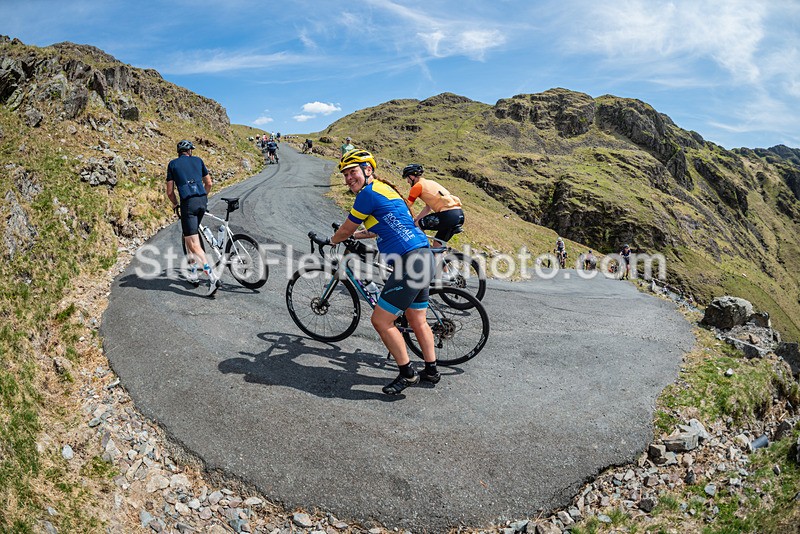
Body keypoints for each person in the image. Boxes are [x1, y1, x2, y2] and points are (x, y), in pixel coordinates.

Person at [329, 149, 439, 395]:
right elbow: (381, 227)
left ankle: (407, 374)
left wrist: (332, 240)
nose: (348, 178)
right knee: (417, 319)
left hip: (408, 262)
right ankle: (431, 371)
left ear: (368, 170)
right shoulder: (385, 190)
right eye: (345, 174)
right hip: (423, 256)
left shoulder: (367, 194)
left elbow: (346, 229)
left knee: (381, 320)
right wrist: (357, 235)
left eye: (353, 172)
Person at [166, 140, 221, 296]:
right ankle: (192, 273)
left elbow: (170, 191)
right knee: (192, 236)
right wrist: (202, 197)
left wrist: (175, 204)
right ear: (189, 151)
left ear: (179, 152)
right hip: (202, 200)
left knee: (192, 242)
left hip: (188, 204)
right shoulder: (198, 160)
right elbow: (209, 183)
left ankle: (212, 277)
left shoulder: (173, 164)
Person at [402, 164, 464, 247]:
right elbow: (428, 207)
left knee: (416, 226)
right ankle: (438, 259)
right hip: (458, 214)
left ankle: (417, 250)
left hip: (448, 215)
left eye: (407, 178)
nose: (407, 181)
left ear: (412, 176)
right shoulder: (430, 183)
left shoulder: (417, 186)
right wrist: (417, 219)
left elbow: (408, 205)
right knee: (437, 245)